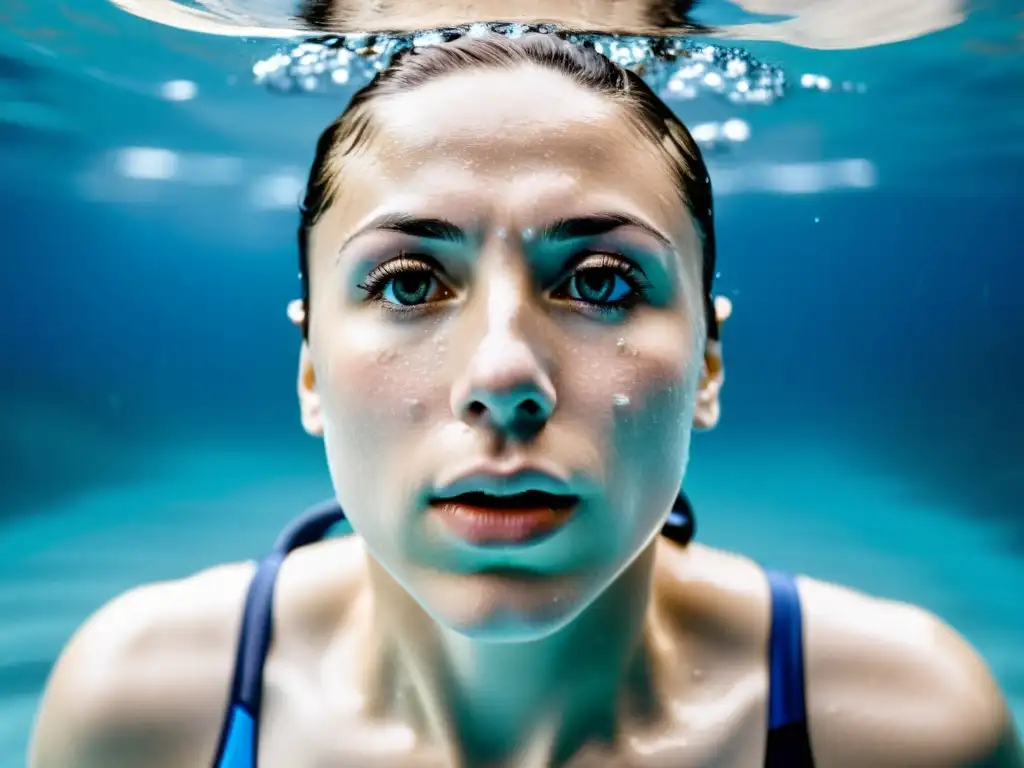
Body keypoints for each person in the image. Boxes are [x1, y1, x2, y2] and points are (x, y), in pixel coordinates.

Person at [30, 32, 1020, 768]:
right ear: (308, 372)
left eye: (598, 281)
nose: (503, 377)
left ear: (710, 362)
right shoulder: (138, 712)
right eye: (409, 283)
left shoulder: (911, 730)